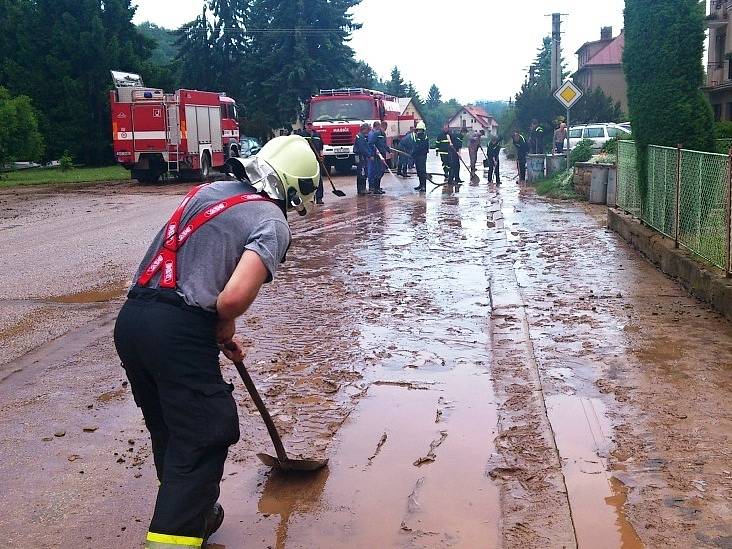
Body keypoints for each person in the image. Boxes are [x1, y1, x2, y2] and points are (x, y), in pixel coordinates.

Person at [114, 135, 319, 549]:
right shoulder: (272, 221)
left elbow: (192, 271)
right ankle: (172, 538)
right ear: (296, 188)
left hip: (135, 321)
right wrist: (223, 320)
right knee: (206, 430)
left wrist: (220, 329)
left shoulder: (210, 191)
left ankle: (195, 514)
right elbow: (232, 298)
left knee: (171, 429)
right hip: (178, 331)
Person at [302, 121, 325, 204]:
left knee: (319, 179)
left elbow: (321, 146)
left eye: (310, 125)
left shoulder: (317, 135)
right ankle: (310, 198)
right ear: (305, 126)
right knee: (308, 179)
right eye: (308, 125)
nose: (309, 127)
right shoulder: (302, 135)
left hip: (317, 159)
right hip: (306, 160)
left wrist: (322, 156)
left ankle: (319, 198)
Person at [367, 121, 385, 194]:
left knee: (380, 170)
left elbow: (382, 144)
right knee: (377, 171)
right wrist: (373, 154)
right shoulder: (374, 134)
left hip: (378, 155)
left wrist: (387, 150)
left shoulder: (379, 133)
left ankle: (377, 187)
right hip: (376, 155)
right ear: (377, 126)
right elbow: (371, 144)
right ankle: (375, 188)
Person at [353, 122, 370, 195]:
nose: (368, 131)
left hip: (360, 156)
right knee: (362, 172)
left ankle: (361, 189)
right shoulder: (360, 137)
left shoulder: (360, 136)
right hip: (360, 156)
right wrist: (369, 155)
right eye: (368, 130)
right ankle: (362, 189)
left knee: (361, 172)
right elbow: (362, 148)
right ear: (365, 129)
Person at [412, 121, 429, 192]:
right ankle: (420, 184)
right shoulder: (417, 136)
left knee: (422, 171)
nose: (419, 131)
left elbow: (421, 147)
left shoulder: (424, 137)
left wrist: (414, 153)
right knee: (419, 171)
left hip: (422, 156)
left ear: (423, 130)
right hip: (417, 156)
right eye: (418, 129)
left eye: (420, 129)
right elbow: (415, 146)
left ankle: (424, 186)